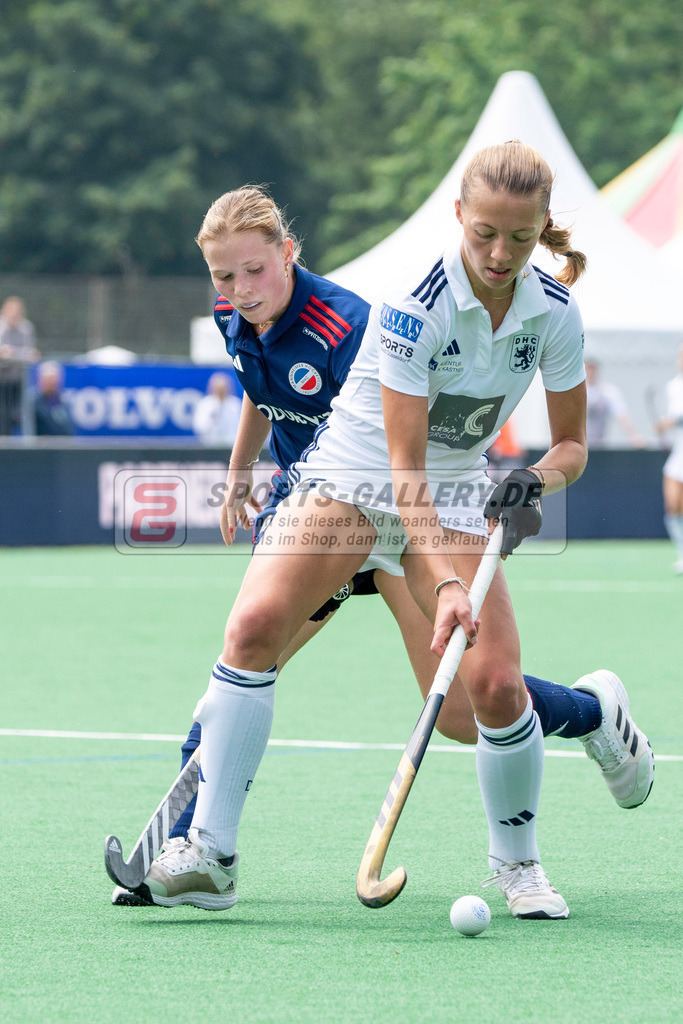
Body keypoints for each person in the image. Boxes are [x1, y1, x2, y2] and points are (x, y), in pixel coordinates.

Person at [122, 165, 654, 918]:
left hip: (457, 486)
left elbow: (570, 446)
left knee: (487, 698)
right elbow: (399, 472)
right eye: (484, 233)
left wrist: (533, 480)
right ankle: (211, 853)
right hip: (353, 477)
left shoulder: (554, 312)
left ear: (540, 233)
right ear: (458, 214)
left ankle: (523, 856)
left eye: (521, 238)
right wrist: (439, 585)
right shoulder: (415, 305)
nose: (501, 253)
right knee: (251, 630)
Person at [655, 343, 683, 572]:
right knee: (673, 505)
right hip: (679, 454)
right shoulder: (672, 386)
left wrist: (671, 421)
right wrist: (665, 424)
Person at [0, 296, 40, 435]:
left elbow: (31, 354)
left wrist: (12, 354)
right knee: (3, 415)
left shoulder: (26, 328)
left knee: (22, 414)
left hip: (19, 380)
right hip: (2, 381)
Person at [585, 358, 646, 448]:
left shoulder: (608, 391)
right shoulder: (575, 392)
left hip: (599, 446)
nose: (590, 372)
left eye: (593, 369)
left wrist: (634, 436)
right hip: (578, 446)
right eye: (588, 368)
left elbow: (621, 415)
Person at [192, 370, 243, 446]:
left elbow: (241, 427)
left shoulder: (235, 404)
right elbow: (199, 427)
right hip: (209, 446)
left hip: (232, 446)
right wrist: (211, 418)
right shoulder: (205, 404)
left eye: (223, 389)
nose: (221, 392)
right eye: (218, 389)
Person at [33, 361, 75, 436]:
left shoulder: (63, 401)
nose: (51, 382)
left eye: (53, 379)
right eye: (48, 379)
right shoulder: (34, 403)